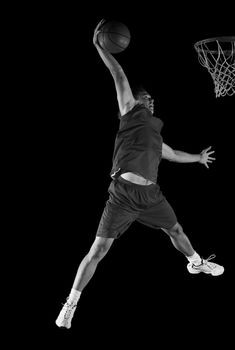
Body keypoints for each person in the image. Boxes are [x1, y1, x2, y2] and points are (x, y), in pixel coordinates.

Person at [56, 19, 224, 329]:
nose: (151, 101)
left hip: (151, 196)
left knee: (177, 231)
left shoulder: (156, 134)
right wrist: (98, 47)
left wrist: (198, 157)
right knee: (98, 251)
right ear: (135, 99)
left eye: (152, 100)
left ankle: (196, 263)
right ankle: (70, 303)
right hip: (122, 195)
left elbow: (172, 155)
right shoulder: (129, 111)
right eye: (147, 98)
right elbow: (118, 75)